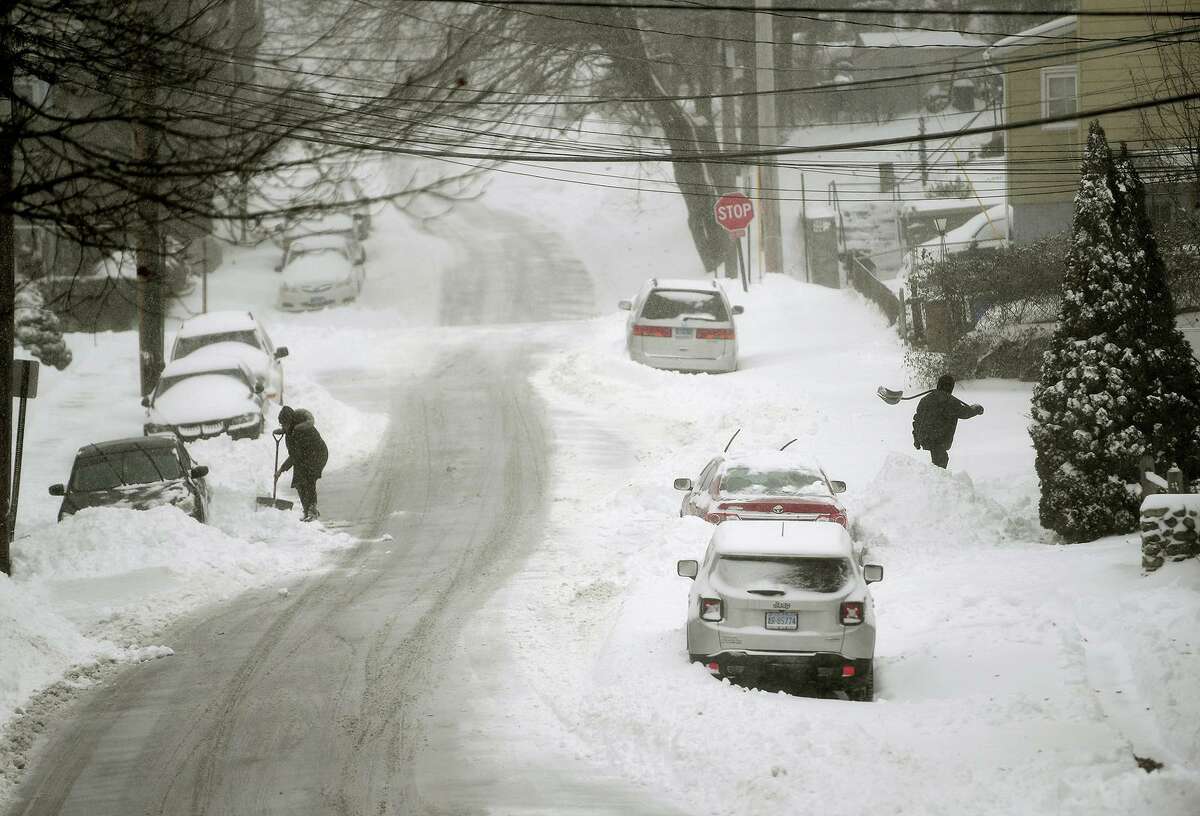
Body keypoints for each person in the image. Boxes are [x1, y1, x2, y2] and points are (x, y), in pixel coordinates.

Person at [912, 374, 984, 469]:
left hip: (923, 437)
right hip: (938, 439)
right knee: (941, 461)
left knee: (939, 459)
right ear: (951, 387)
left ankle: (934, 477)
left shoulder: (925, 399)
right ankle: (938, 480)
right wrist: (976, 409)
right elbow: (964, 413)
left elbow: (917, 419)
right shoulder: (951, 402)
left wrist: (916, 438)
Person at [276, 405, 329, 522]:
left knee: (309, 479)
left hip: (317, 455)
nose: (284, 427)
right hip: (304, 457)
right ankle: (306, 510)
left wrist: (282, 469)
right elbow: (295, 454)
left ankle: (312, 510)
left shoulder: (302, 431)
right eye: (282, 424)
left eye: (285, 423)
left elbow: (295, 455)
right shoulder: (290, 432)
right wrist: (281, 469)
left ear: (291, 421)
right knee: (299, 482)